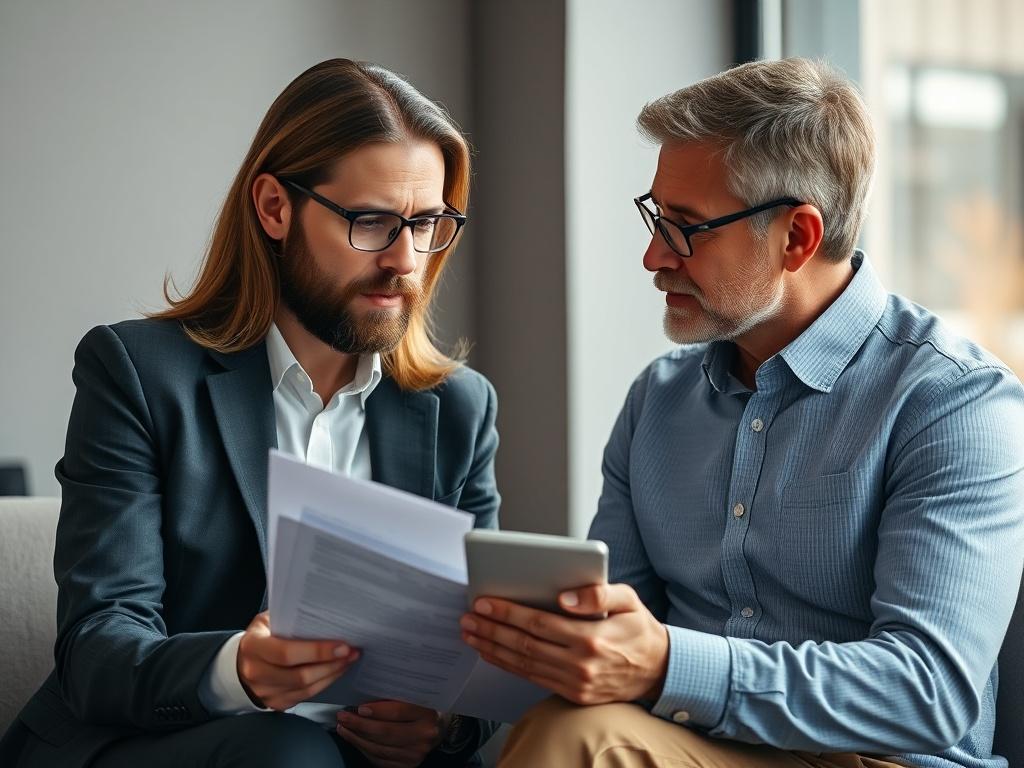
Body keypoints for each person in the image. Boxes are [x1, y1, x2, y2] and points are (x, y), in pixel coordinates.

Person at [460, 57, 1024, 768]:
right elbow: (607, 638)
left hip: (883, 758)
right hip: (690, 740)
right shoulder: (658, 401)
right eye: (656, 217)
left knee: (574, 741)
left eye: (687, 228)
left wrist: (669, 665)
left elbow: (928, 694)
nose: (652, 256)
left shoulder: (955, 403)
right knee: (556, 726)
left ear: (797, 238)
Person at [0, 58, 499, 768]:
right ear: (273, 208)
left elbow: (475, 659)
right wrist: (239, 669)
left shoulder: (458, 409)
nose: (405, 260)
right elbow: (99, 648)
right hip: (169, 745)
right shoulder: (137, 373)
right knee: (290, 754)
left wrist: (441, 726)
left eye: (427, 224)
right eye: (371, 223)